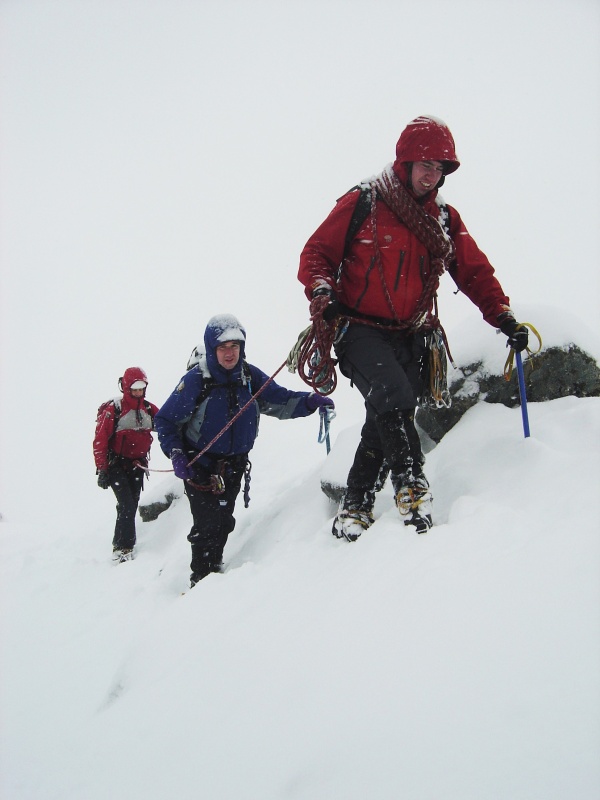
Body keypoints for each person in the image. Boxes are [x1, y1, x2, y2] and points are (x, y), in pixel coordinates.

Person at [298, 114, 529, 540]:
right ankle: (411, 486)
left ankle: (355, 506)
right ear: (404, 162)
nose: (432, 175)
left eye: (440, 168)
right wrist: (323, 293)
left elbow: (473, 271)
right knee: (393, 395)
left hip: (411, 332)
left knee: (384, 414)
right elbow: (316, 254)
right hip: (358, 328)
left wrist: (503, 315)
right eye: (425, 164)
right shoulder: (364, 201)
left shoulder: (442, 219)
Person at [154, 313, 334, 588]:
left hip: (234, 465)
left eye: (235, 346)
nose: (230, 353)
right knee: (206, 524)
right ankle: (200, 580)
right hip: (199, 465)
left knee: (224, 520)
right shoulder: (196, 381)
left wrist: (309, 401)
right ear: (212, 348)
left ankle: (214, 567)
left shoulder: (249, 376)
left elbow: (279, 400)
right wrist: (176, 454)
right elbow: (166, 420)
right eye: (223, 347)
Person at [94, 367, 159, 561]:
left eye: (141, 388)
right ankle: (123, 547)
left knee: (130, 504)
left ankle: (122, 543)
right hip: (116, 465)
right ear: (126, 388)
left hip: (138, 465)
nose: (138, 393)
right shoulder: (114, 410)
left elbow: (167, 424)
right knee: (127, 504)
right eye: (134, 389)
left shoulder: (148, 409)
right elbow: (100, 440)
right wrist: (102, 469)